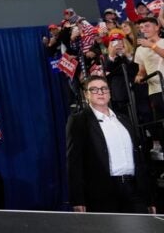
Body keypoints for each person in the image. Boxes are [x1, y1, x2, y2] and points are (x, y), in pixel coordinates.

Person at [66, 76, 156, 213]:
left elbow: (140, 160)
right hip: (102, 193)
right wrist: (78, 199)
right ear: (86, 94)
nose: (100, 92)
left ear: (109, 92)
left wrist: (149, 198)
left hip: (133, 190)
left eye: (104, 88)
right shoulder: (79, 120)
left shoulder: (124, 119)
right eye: (94, 89)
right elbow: (74, 162)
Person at [134, 17, 164, 160]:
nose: (143, 29)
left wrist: (151, 45)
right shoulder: (140, 49)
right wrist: (139, 75)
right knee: (160, 126)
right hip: (154, 92)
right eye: (141, 28)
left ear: (157, 27)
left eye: (147, 26)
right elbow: (142, 69)